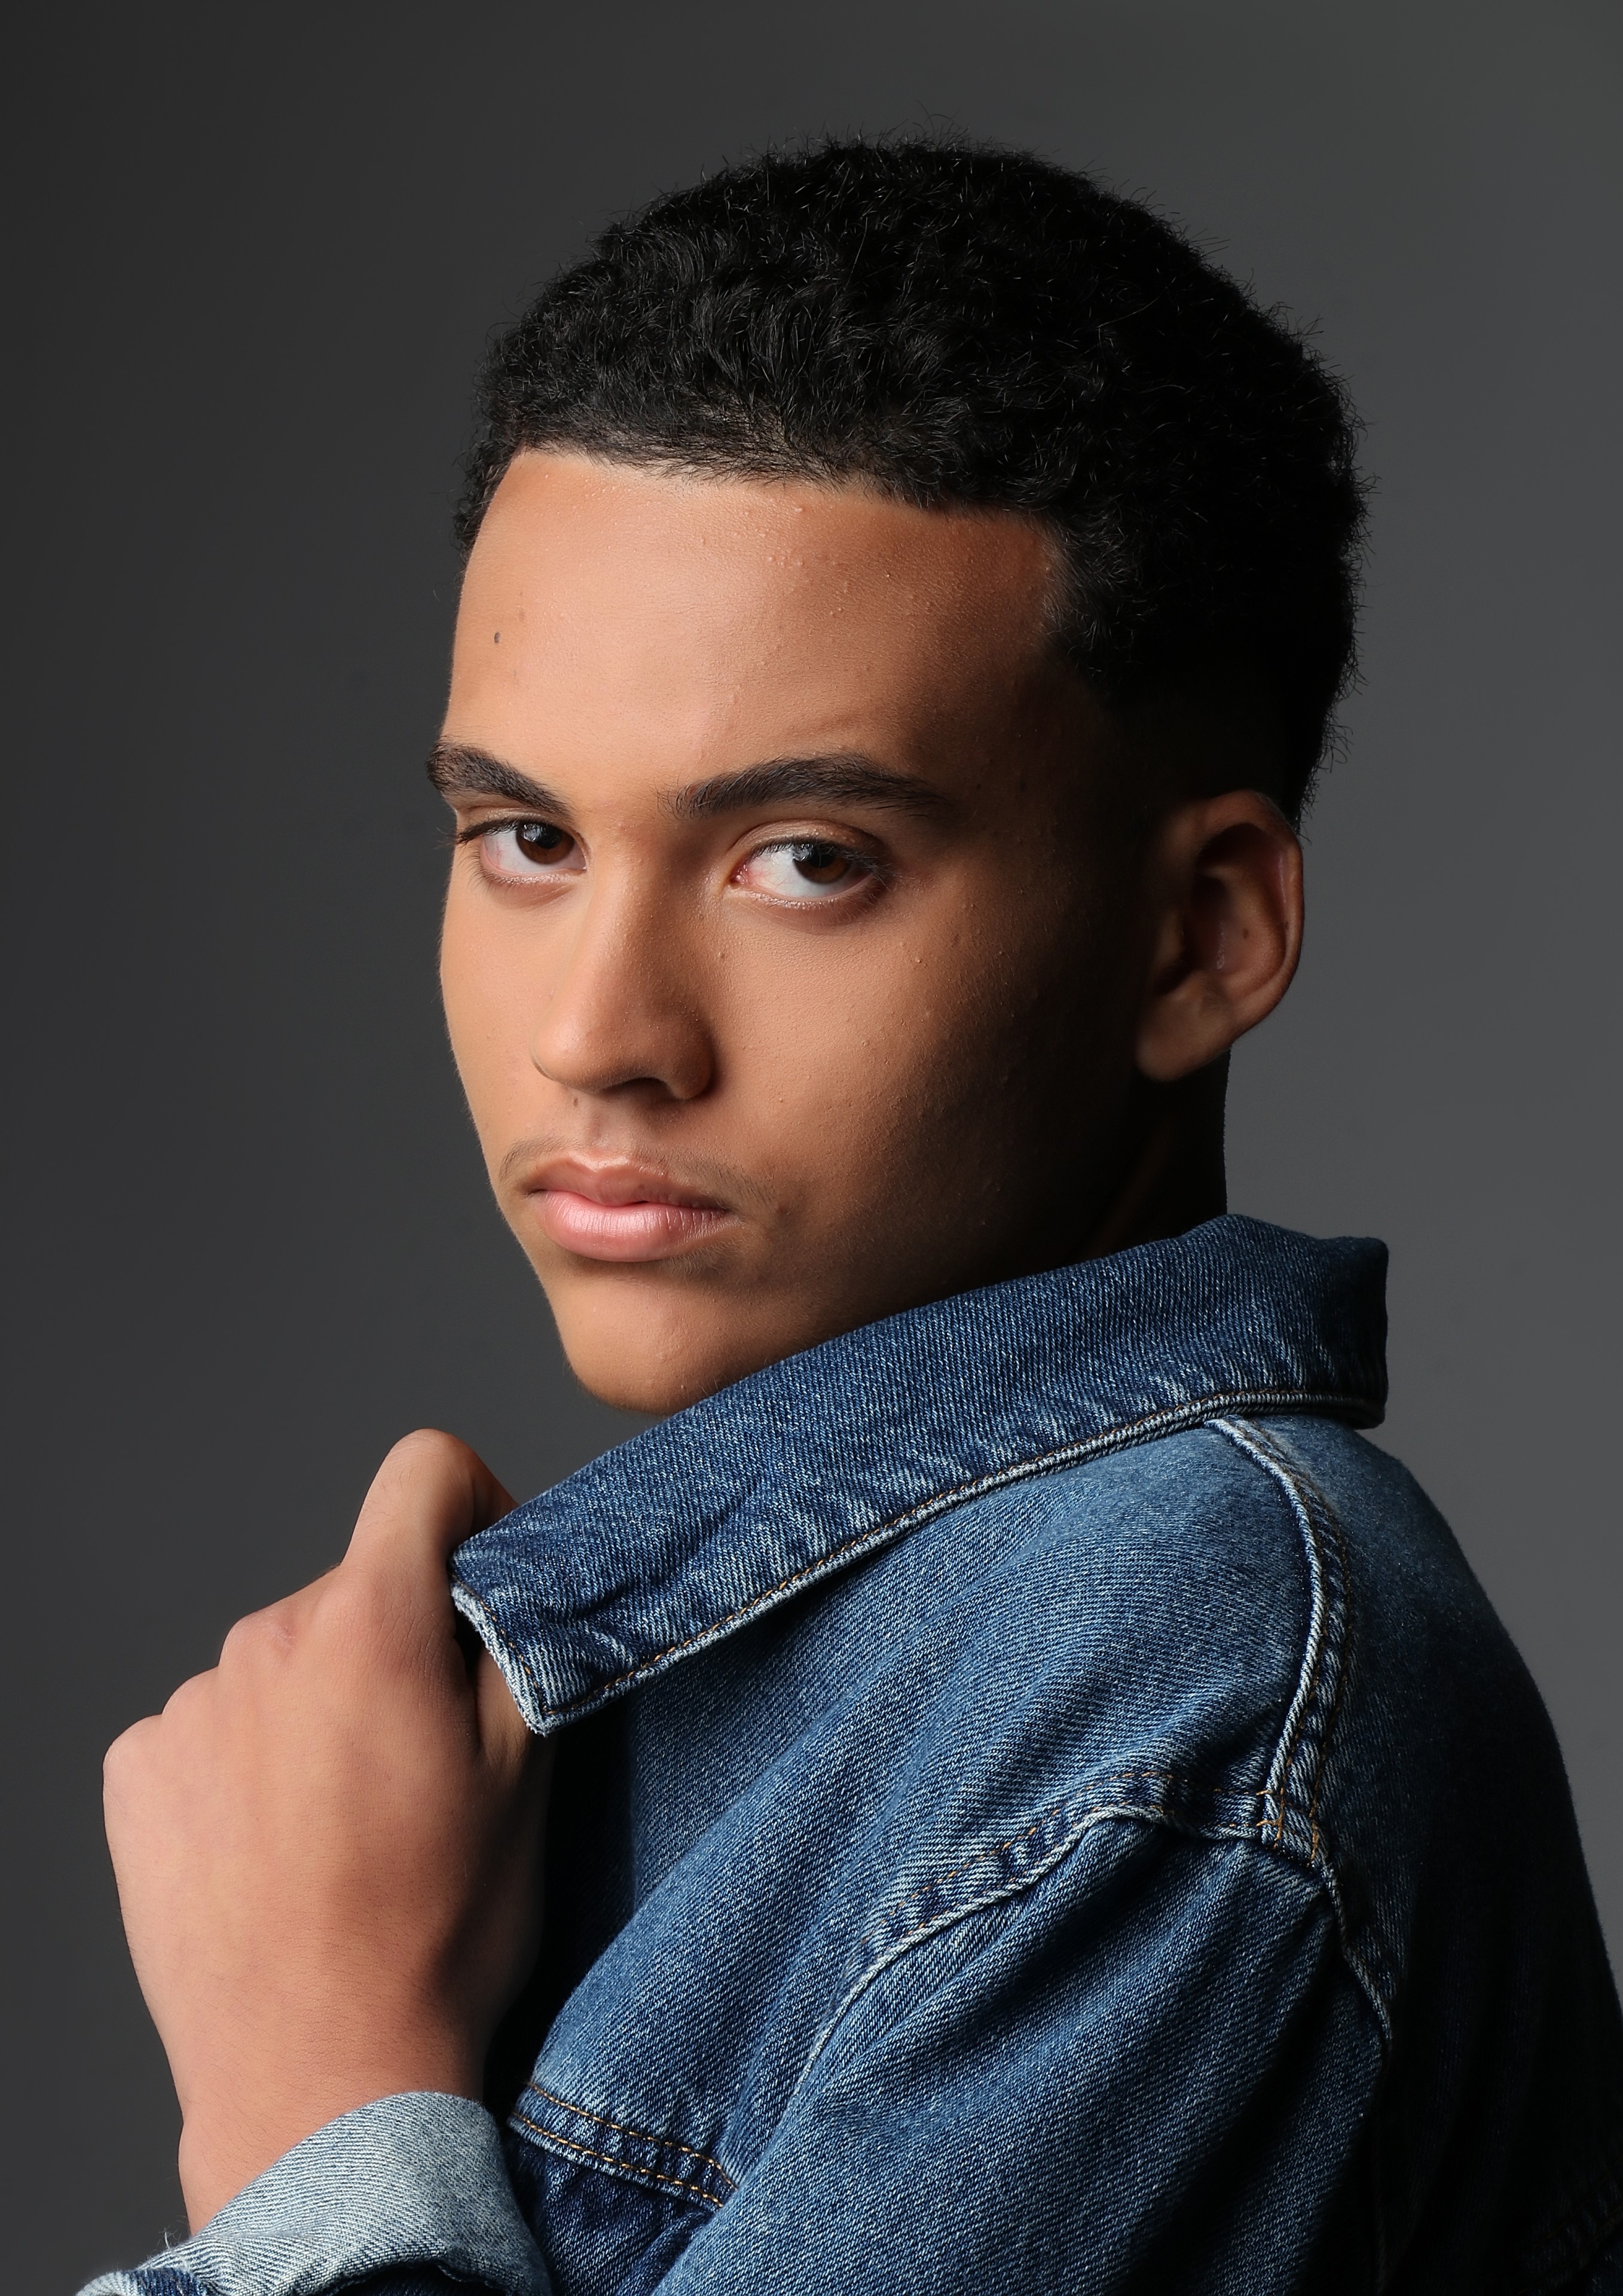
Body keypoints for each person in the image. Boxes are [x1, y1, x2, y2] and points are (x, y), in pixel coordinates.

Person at [88, 138, 1623, 2296]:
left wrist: (318, 2105)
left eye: (805, 859)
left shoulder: (1177, 1701)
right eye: (525, 838)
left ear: (1203, 934)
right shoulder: (883, 1673)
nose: (597, 1035)